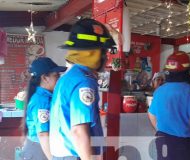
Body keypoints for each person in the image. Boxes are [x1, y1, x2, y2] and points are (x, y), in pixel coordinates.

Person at [49, 18, 118, 160]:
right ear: (92, 52)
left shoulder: (67, 77)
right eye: (103, 51)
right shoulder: (84, 81)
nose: (105, 57)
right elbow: (78, 131)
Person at [148, 51, 190, 160]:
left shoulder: (159, 91)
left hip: (162, 142)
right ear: (187, 71)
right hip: (182, 145)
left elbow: (151, 114)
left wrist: (161, 130)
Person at [22, 57, 67, 160]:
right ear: (45, 78)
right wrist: (52, 158)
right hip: (40, 150)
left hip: (42, 148)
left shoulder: (46, 97)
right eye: (56, 76)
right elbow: (43, 134)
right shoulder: (41, 101)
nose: (59, 79)